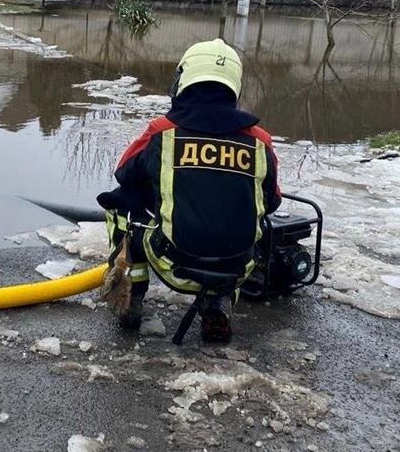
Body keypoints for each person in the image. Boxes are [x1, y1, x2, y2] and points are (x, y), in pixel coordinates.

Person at [97, 39, 281, 344]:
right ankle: (219, 303)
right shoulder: (260, 141)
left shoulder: (162, 131)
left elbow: (124, 172)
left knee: (120, 205)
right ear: (234, 85)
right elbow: (272, 200)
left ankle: (133, 293)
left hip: (174, 264)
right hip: (238, 268)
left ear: (184, 78)